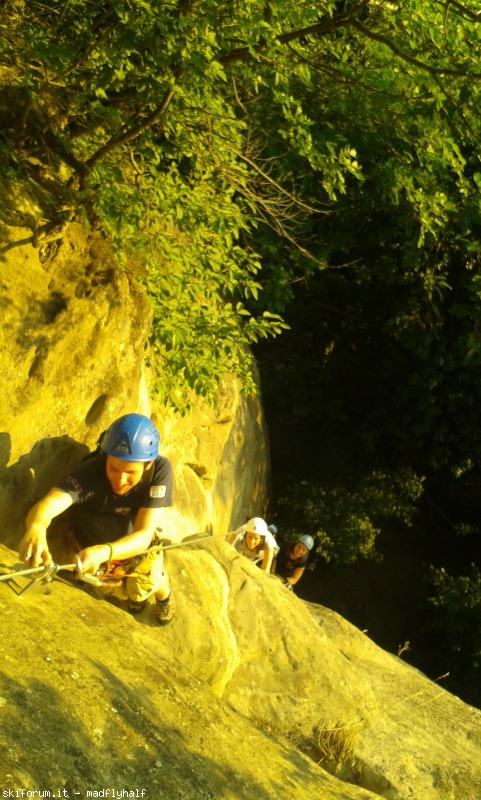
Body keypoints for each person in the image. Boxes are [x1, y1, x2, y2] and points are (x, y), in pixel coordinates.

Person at [18, 413, 176, 624]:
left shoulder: (159, 470)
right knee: (124, 592)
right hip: (94, 553)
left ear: (147, 464)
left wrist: (104, 552)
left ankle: (164, 595)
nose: (120, 479)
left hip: (129, 551)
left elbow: (144, 534)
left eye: (130, 472)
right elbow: (51, 502)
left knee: (146, 586)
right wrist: (37, 525)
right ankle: (131, 596)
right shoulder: (91, 471)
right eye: (114, 468)